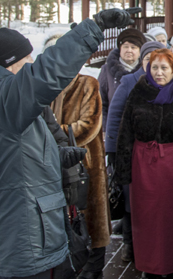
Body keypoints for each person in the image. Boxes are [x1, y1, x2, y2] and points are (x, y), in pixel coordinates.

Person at [0, 9, 133, 279]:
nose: (31, 61)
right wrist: (94, 27)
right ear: (10, 64)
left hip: (29, 228)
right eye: (26, 58)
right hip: (25, 236)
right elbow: (46, 72)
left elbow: (14, 151)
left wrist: (56, 155)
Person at [115, 48, 173, 278]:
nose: (158, 72)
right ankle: (150, 265)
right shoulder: (138, 93)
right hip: (143, 165)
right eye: (154, 67)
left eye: (164, 67)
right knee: (146, 218)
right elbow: (125, 133)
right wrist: (123, 171)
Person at [44, 33, 110, 279]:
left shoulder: (87, 84)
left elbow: (88, 126)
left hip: (86, 163)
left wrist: (47, 136)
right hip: (53, 166)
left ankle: (94, 267)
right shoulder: (44, 88)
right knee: (64, 220)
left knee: (91, 216)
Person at [105, 39, 163, 263]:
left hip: (156, 156)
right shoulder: (129, 81)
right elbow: (115, 115)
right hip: (131, 152)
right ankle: (129, 244)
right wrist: (112, 149)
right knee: (131, 201)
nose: (152, 64)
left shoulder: (167, 82)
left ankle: (151, 244)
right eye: (148, 59)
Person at [99, 28, 145, 128]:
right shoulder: (107, 70)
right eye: (125, 47)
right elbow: (100, 102)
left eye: (133, 47)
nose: (129, 50)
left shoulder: (146, 71)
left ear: (140, 51)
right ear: (120, 48)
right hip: (114, 126)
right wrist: (105, 127)